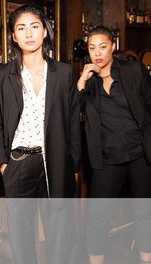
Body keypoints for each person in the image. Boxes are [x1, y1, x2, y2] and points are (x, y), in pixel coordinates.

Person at [0, 4, 81, 264]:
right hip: (19, 162)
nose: (28, 33)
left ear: (45, 32)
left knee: (60, 234)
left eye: (34, 26)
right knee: (21, 236)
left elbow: (73, 122)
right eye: (21, 28)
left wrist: (73, 164)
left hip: (56, 161)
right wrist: (4, 163)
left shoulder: (62, 73)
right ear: (14, 37)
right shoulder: (2, 75)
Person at [77, 25, 151, 264]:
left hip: (140, 152)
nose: (97, 52)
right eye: (92, 47)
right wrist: (80, 83)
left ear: (113, 47)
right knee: (97, 214)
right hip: (108, 155)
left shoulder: (133, 71)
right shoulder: (88, 83)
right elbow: (72, 115)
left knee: (144, 211)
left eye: (103, 46)